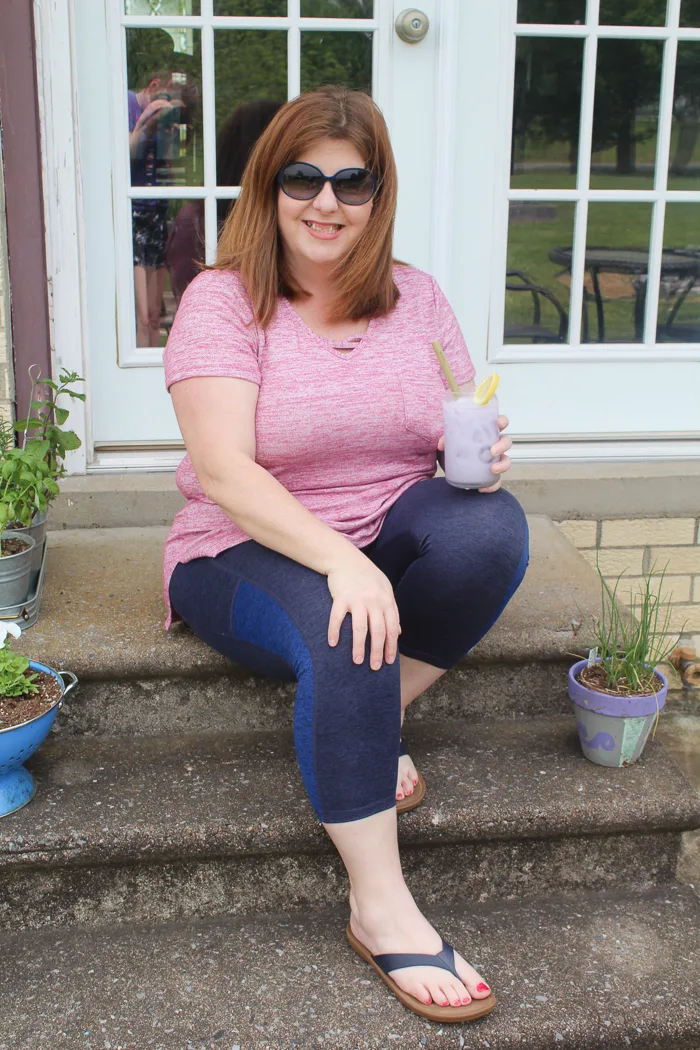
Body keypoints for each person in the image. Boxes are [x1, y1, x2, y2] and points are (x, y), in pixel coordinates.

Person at [162, 86, 529, 1023]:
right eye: (303, 177)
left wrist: (478, 455)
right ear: (269, 185)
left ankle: (364, 716)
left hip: (379, 526)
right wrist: (343, 560)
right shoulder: (222, 301)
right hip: (239, 543)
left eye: (352, 182)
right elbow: (226, 472)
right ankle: (379, 905)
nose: (326, 203)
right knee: (345, 625)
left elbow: (457, 411)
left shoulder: (418, 299)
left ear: (378, 195)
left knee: (492, 530)